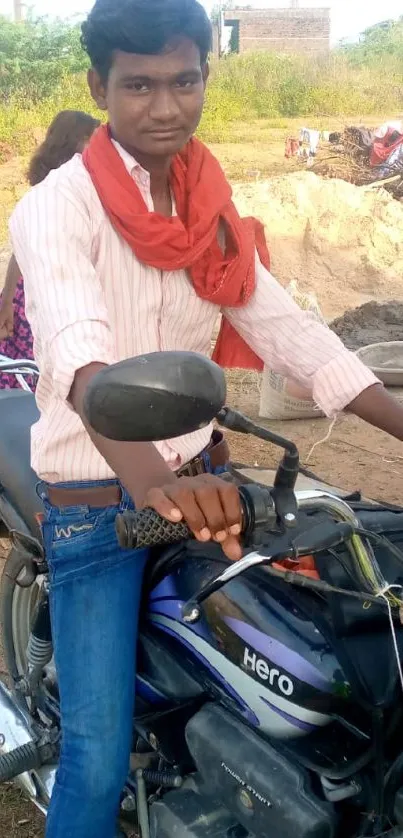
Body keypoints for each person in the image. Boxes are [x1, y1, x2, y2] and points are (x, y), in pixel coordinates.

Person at [8, 1, 403, 836]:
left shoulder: (207, 208)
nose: (164, 106)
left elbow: (289, 331)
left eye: (183, 81)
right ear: (98, 87)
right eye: (139, 84)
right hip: (99, 507)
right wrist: (154, 485)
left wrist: (396, 418)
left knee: (317, 647)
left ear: (204, 79)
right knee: (95, 752)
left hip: (206, 480)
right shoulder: (57, 208)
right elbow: (83, 362)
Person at [0, 110, 100, 388]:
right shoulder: (54, 191)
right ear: (77, 141)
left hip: (56, 290)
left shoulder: (86, 183)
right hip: (48, 293)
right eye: (94, 139)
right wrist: (6, 301)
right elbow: (22, 248)